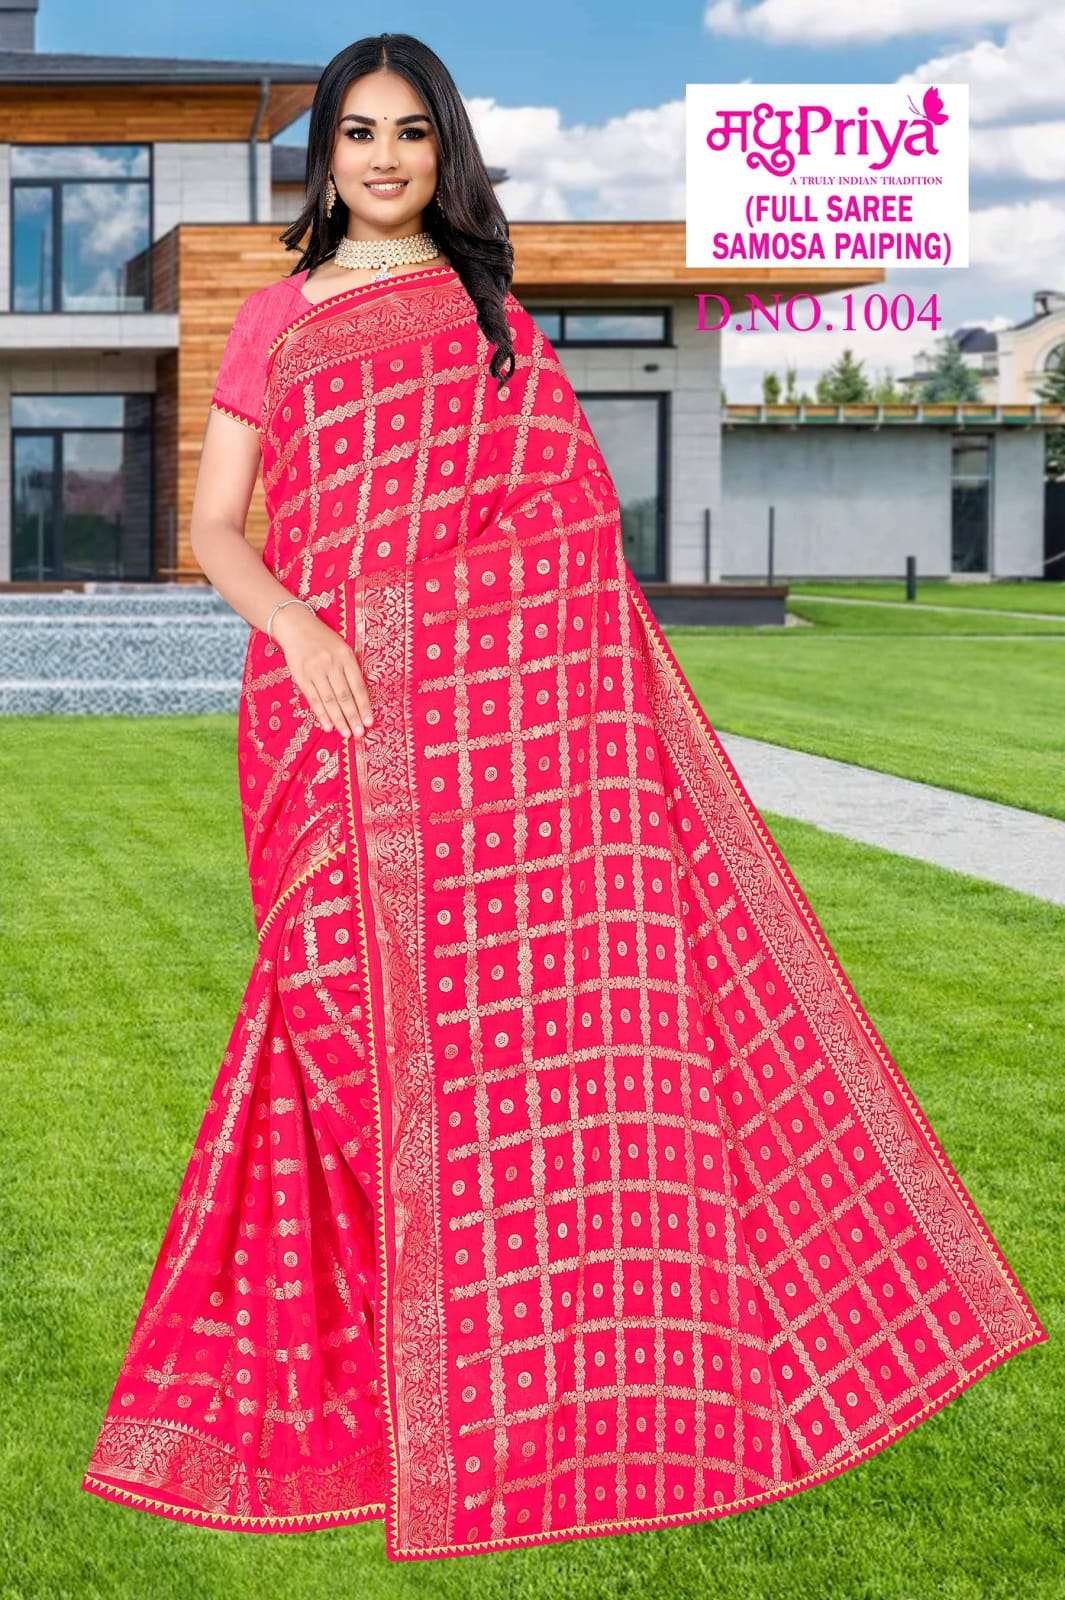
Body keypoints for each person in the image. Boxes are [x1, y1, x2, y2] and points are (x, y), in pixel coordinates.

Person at [81, 32, 1047, 1563]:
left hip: (490, 721)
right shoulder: (278, 315)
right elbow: (214, 528)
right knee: (336, 1016)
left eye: (410, 132)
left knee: (499, 1046)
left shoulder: (491, 318)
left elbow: (563, 534)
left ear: (443, 151)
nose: (383, 158)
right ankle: (393, 1368)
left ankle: (520, 1382)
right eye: (356, 133)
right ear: (322, 156)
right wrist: (309, 630)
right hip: (321, 713)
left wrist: (450, 639)